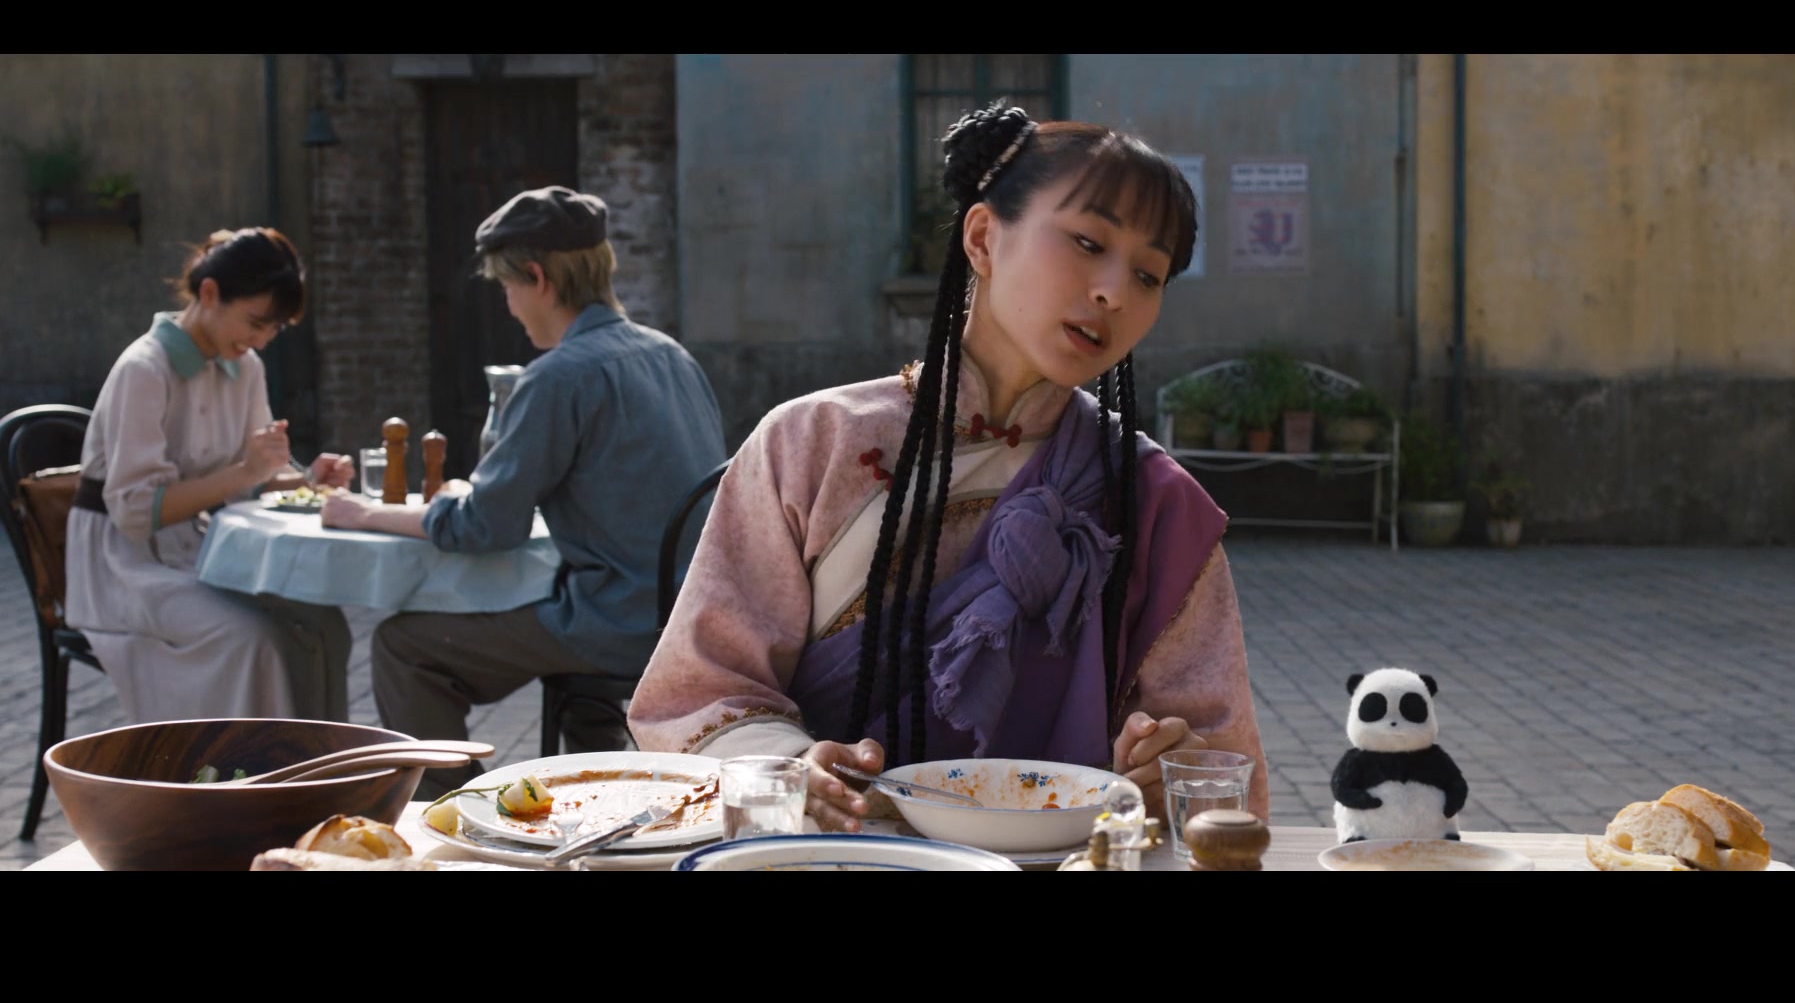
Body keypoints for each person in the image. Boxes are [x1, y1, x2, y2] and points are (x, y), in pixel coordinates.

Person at [626, 102, 1270, 832]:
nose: (1114, 292)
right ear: (984, 237)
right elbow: (699, 689)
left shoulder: (1155, 504)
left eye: (1149, 276)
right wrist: (788, 765)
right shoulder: (810, 444)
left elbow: (1223, 775)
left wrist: (1169, 771)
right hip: (834, 847)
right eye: (1088, 242)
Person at [321, 186, 728, 797]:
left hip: (620, 624)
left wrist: (365, 513)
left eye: (506, 287)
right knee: (573, 604)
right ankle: (594, 786)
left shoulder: (560, 376)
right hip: (691, 614)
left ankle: (471, 811)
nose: (509, 306)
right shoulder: (669, 354)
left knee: (403, 648)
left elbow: (486, 526)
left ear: (537, 278)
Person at [65, 227, 357, 723]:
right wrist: (245, 471)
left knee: (324, 624)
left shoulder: (246, 368)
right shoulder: (144, 369)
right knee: (252, 638)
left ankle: (322, 760)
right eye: (255, 322)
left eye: (274, 329)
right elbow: (135, 510)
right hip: (121, 564)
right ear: (208, 293)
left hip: (195, 550)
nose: (261, 339)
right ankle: (247, 766)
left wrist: (309, 478)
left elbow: (257, 476)